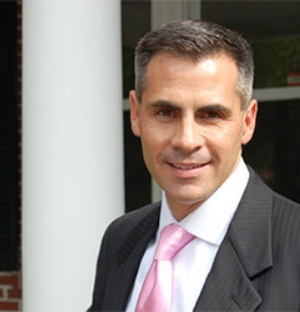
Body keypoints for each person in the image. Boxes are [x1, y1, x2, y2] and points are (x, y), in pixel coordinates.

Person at [88, 20, 300, 311]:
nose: (186, 141)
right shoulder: (121, 238)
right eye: (166, 112)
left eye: (211, 114)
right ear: (136, 114)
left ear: (247, 121)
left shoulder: (294, 246)